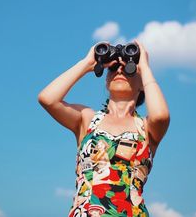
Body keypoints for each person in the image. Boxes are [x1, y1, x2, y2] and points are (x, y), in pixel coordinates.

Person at [38, 40, 170, 217]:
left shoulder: (146, 127)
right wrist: (86, 64)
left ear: (143, 84)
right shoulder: (87, 119)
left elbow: (161, 115)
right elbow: (47, 99)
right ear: (107, 80)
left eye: (129, 67)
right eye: (113, 68)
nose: (120, 70)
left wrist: (144, 66)